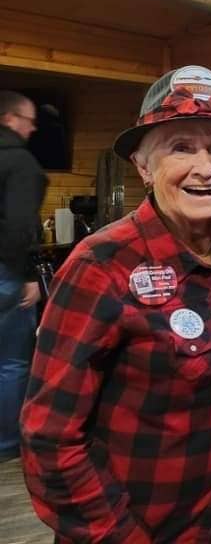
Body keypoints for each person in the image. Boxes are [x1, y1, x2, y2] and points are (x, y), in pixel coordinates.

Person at [20, 66, 211, 543]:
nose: (205, 167)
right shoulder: (101, 265)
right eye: (181, 148)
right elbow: (50, 438)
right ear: (143, 167)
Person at [0, 90, 46, 463]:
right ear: (10, 119)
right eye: (30, 122)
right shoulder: (21, 163)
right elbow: (20, 226)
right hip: (6, 271)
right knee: (12, 362)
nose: (33, 129)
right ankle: (7, 444)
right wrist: (30, 274)